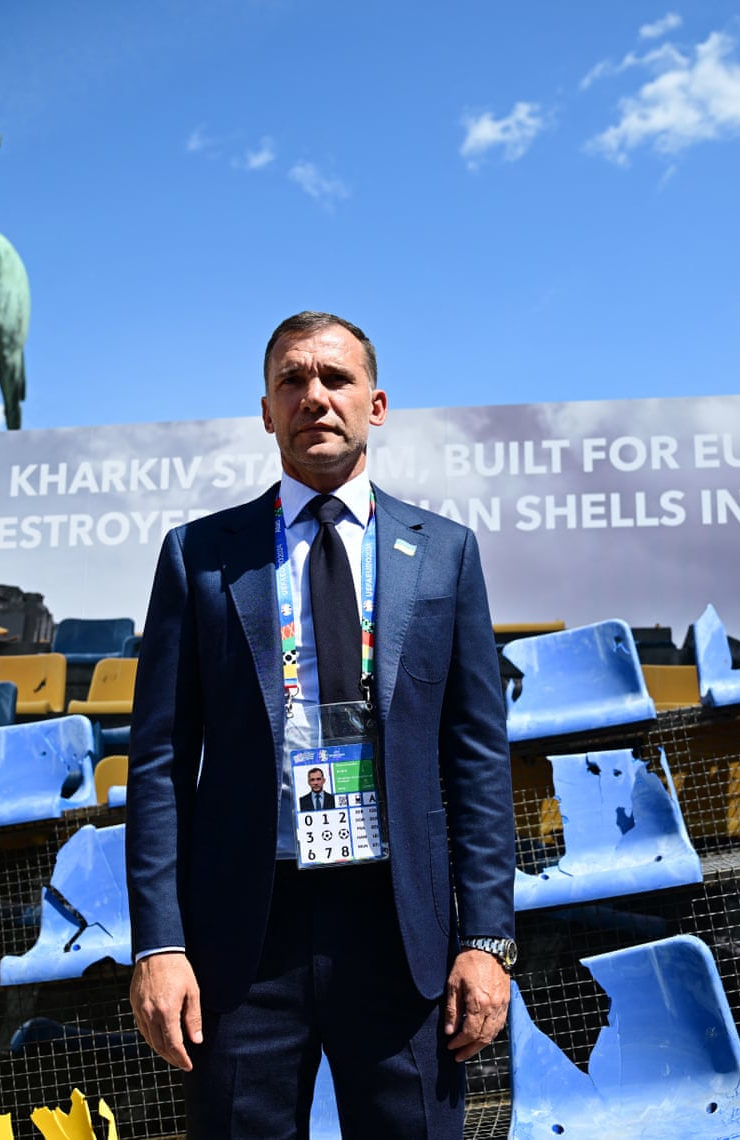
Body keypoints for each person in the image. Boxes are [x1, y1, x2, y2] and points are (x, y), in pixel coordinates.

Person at [127, 312, 515, 1138]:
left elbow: (477, 756)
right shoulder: (196, 557)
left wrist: (487, 938)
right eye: (292, 381)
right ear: (266, 411)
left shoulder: (446, 554)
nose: (315, 397)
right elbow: (159, 762)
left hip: (401, 934)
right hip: (243, 945)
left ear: (375, 405)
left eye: (335, 379)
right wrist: (158, 945)